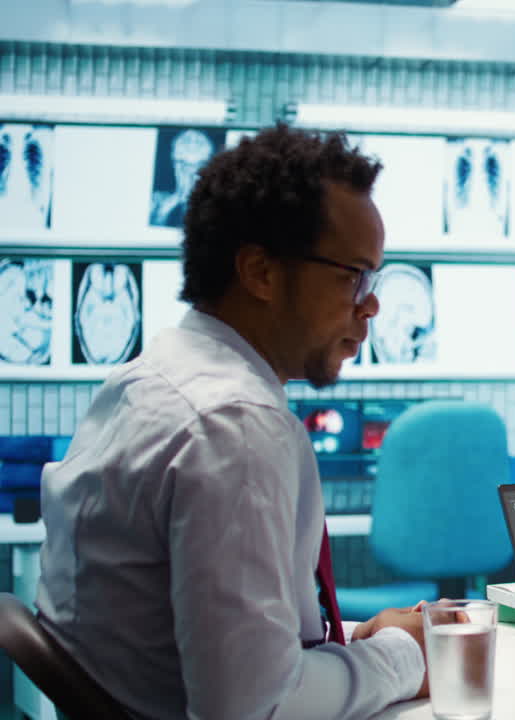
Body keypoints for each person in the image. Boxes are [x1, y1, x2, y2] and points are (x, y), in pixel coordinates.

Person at [37, 124, 435, 719]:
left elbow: (219, 639)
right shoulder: (234, 426)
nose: (372, 304)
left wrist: (354, 642)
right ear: (261, 273)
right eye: (354, 275)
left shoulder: (152, 379)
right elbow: (254, 709)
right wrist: (404, 656)